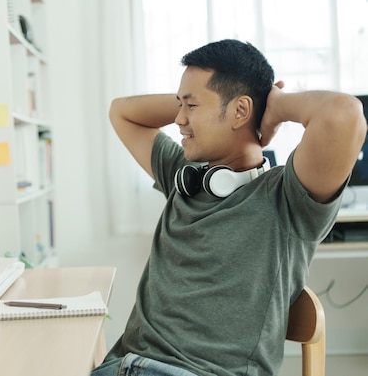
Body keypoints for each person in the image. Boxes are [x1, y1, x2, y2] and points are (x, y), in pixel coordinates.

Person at [93, 39, 366, 376]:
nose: (178, 119)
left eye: (191, 106)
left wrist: (275, 105)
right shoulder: (185, 174)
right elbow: (121, 111)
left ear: (240, 111)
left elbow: (345, 114)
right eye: (180, 105)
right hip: (119, 366)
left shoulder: (287, 197)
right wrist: (191, 101)